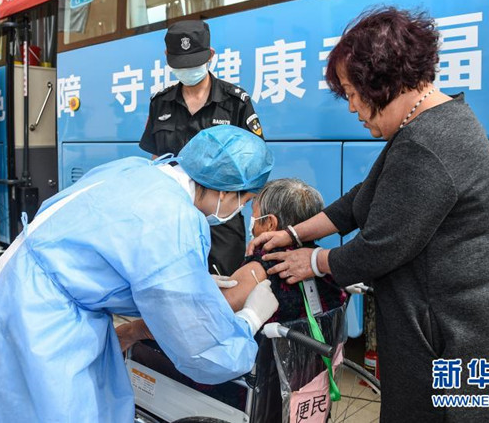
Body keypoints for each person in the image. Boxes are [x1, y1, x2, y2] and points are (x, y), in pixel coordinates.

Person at [248, 8, 489, 421]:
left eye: (351, 91)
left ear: (381, 79)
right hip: (461, 328)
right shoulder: (428, 124)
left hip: (459, 343)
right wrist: (292, 233)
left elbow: (380, 247)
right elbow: (364, 199)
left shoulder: (428, 145)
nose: (352, 107)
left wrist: (314, 261)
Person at [0, 125, 278, 422]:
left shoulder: (139, 171)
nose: (239, 211)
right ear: (224, 188)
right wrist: (249, 318)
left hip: (18, 289)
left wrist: (190, 281)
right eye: (243, 201)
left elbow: (113, 255)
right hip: (43, 321)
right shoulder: (174, 220)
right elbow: (202, 348)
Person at [117, 179, 347, 422]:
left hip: (241, 390)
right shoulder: (325, 267)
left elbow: (195, 323)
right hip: (304, 388)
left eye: (254, 214)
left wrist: (134, 331)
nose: (251, 221)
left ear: (270, 223)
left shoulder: (260, 270)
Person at [140, 19, 265, 276]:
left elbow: (255, 167)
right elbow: (155, 161)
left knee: (224, 293)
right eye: (180, 65)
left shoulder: (235, 102)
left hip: (222, 224)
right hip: (171, 222)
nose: (188, 70)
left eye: (194, 63)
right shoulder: (160, 103)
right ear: (167, 57)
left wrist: (246, 216)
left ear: (211, 56)